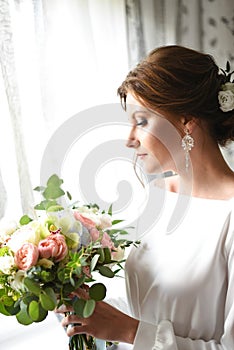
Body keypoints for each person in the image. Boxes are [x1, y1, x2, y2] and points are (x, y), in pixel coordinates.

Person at [56, 45, 234, 349]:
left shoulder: (230, 216)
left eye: (141, 121)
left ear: (186, 122)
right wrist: (88, 308)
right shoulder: (157, 196)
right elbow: (152, 304)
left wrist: (129, 332)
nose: (129, 139)